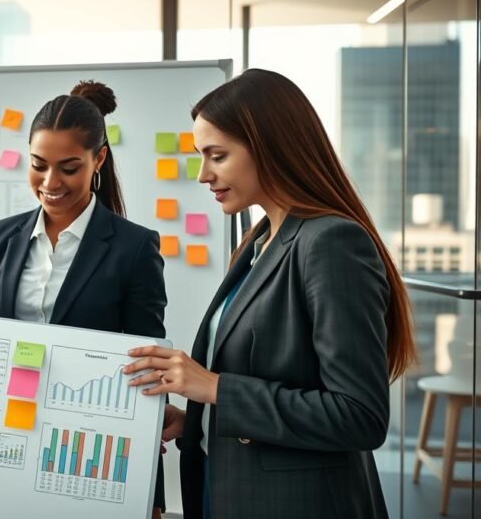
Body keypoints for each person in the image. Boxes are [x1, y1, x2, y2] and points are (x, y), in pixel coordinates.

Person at [125, 69, 416, 519]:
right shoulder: (259, 241)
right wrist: (196, 425)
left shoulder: (331, 243)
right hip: (229, 489)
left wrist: (214, 388)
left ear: (268, 146)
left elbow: (359, 416)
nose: (203, 175)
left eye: (217, 155)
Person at [0, 80, 169, 518]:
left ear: (98, 158)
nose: (50, 183)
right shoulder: (3, 238)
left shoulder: (134, 248)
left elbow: (146, 365)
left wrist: (151, 494)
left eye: (68, 167)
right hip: (10, 439)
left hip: (89, 450)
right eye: (38, 165)